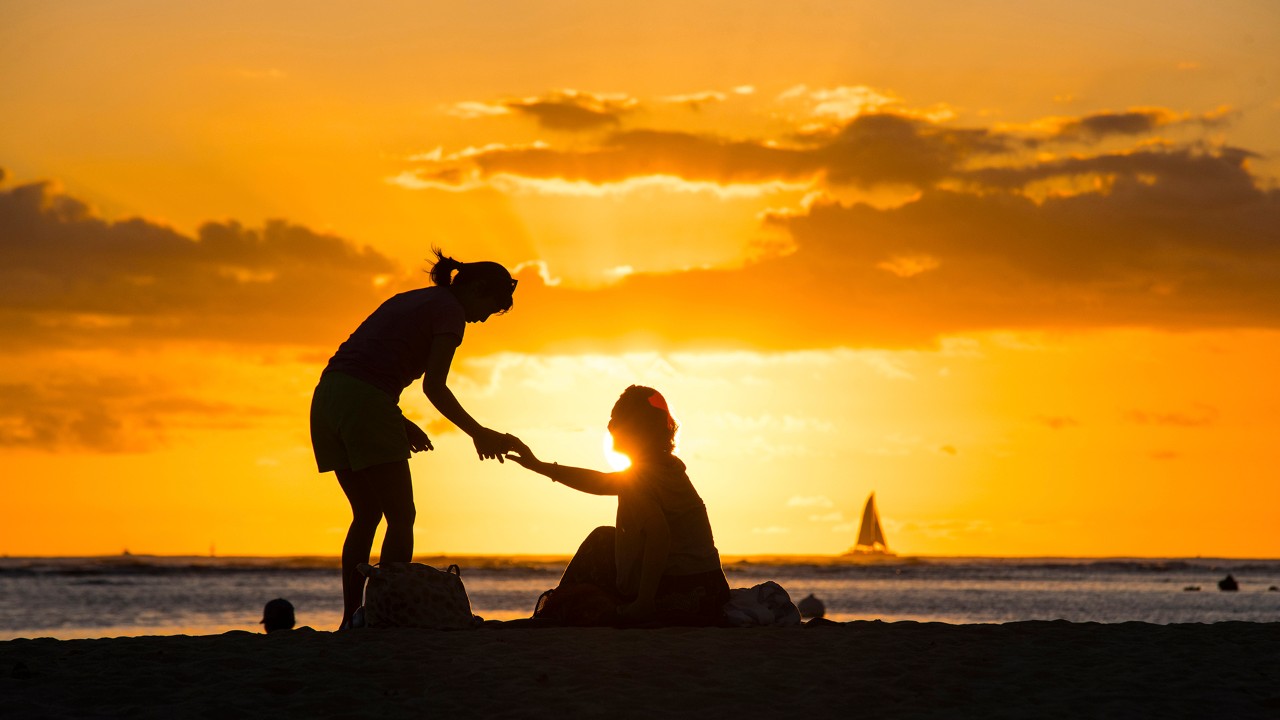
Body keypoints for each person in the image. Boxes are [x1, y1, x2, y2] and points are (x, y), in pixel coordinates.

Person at [311, 247, 518, 630]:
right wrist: (479, 434)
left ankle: (351, 619)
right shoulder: (450, 311)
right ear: (477, 290)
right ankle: (383, 616)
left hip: (328, 398)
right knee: (401, 515)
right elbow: (434, 387)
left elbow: (368, 365)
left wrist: (397, 419)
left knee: (367, 513)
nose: (483, 319)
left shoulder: (415, 299)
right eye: (490, 308)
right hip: (365, 401)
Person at [505, 385, 730, 626]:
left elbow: (659, 535)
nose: (610, 427)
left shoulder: (641, 476)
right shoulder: (665, 467)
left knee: (597, 552)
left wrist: (644, 603)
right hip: (711, 588)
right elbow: (599, 482)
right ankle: (558, 608)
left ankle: (555, 610)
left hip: (685, 591)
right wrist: (538, 465)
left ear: (636, 428)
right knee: (605, 538)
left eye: (616, 420)